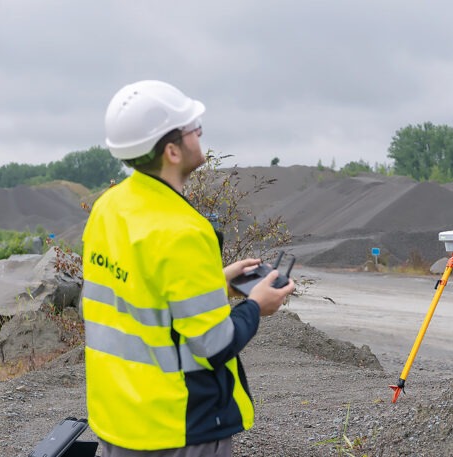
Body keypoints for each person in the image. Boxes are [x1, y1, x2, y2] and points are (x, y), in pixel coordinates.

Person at [82, 80, 295, 456]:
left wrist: (214, 283)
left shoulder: (109, 207)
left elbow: (141, 292)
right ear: (172, 151)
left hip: (118, 419)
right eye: (194, 130)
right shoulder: (182, 231)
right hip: (176, 426)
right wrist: (255, 305)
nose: (200, 135)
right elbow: (214, 344)